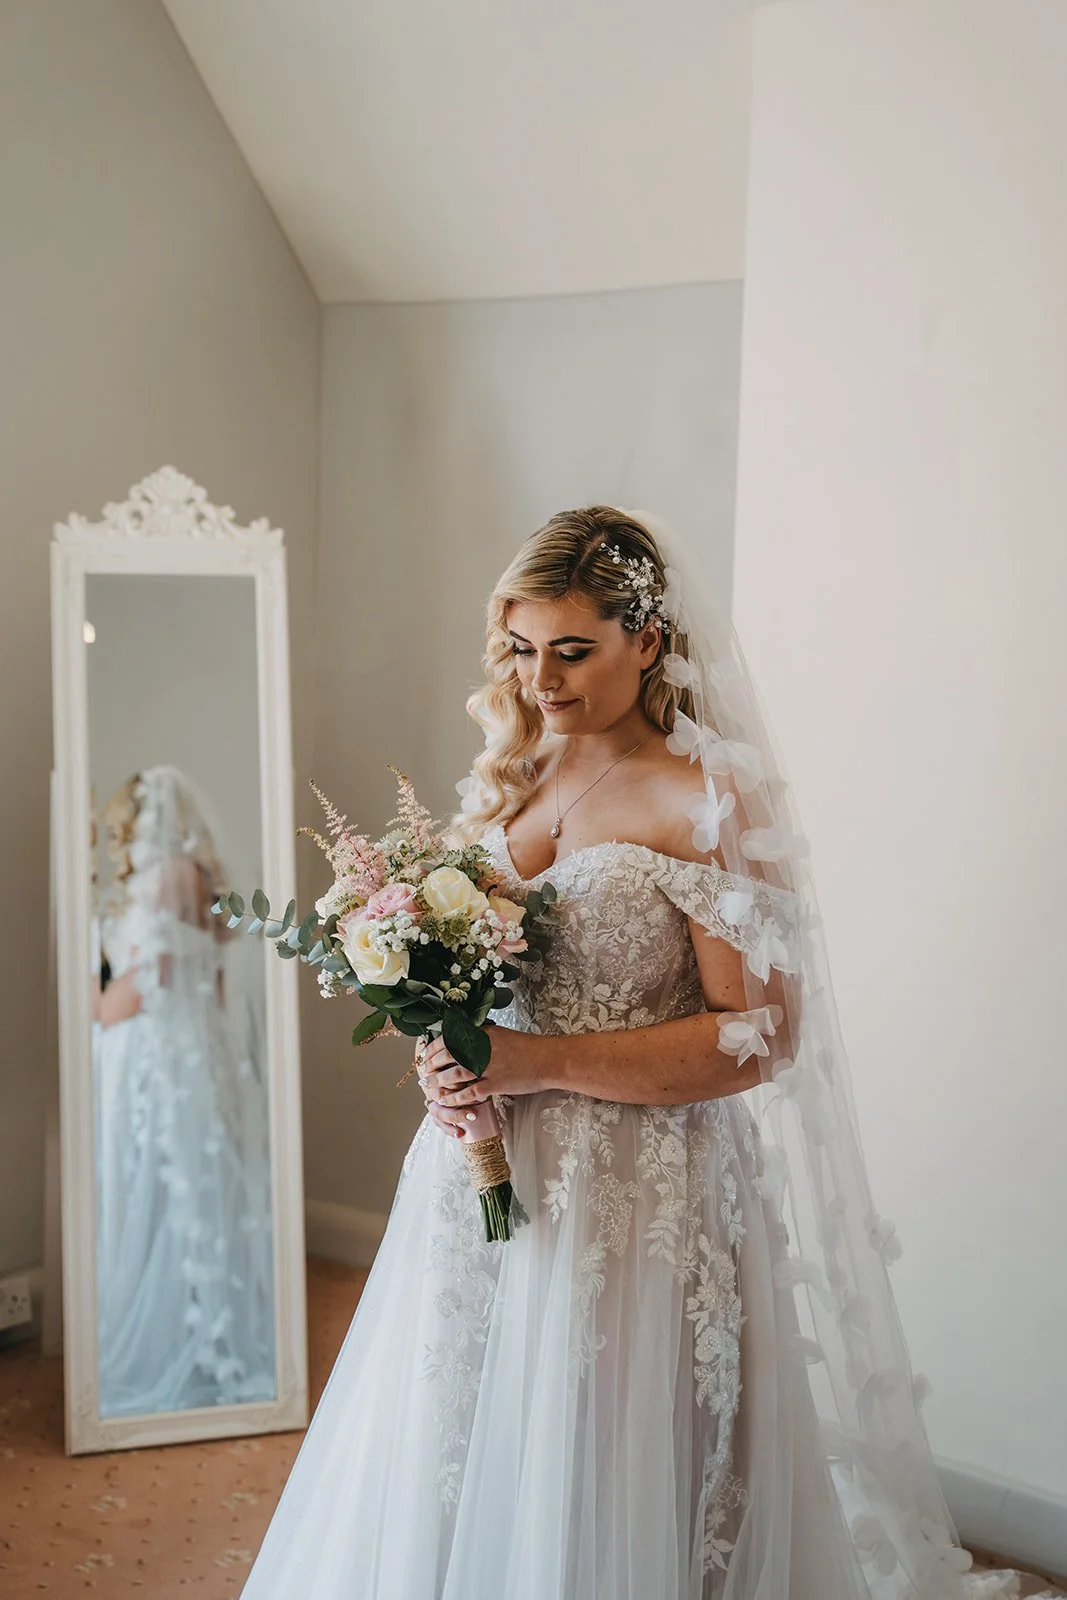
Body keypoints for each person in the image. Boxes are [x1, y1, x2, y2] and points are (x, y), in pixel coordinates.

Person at [240, 509, 1022, 1598]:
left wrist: (528, 1061)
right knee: (456, 1444)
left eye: (571, 650)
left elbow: (756, 1035)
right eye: (519, 648)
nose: (540, 680)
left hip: (635, 1199)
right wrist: (448, 1057)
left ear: (644, 639)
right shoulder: (509, 778)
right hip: (477, 1184)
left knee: (600, 1467)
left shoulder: (702, 799)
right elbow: (472, 980)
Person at [93, 765, 274, 1416]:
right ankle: (201, 1327)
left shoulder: (163, 878)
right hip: (201, 1051)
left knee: (160, 1194)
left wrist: (85, 996)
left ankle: (175, 1340)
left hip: (157, 1059)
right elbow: (211, 982)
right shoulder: (201, 875)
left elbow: (143, 987)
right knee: (198, 1191)